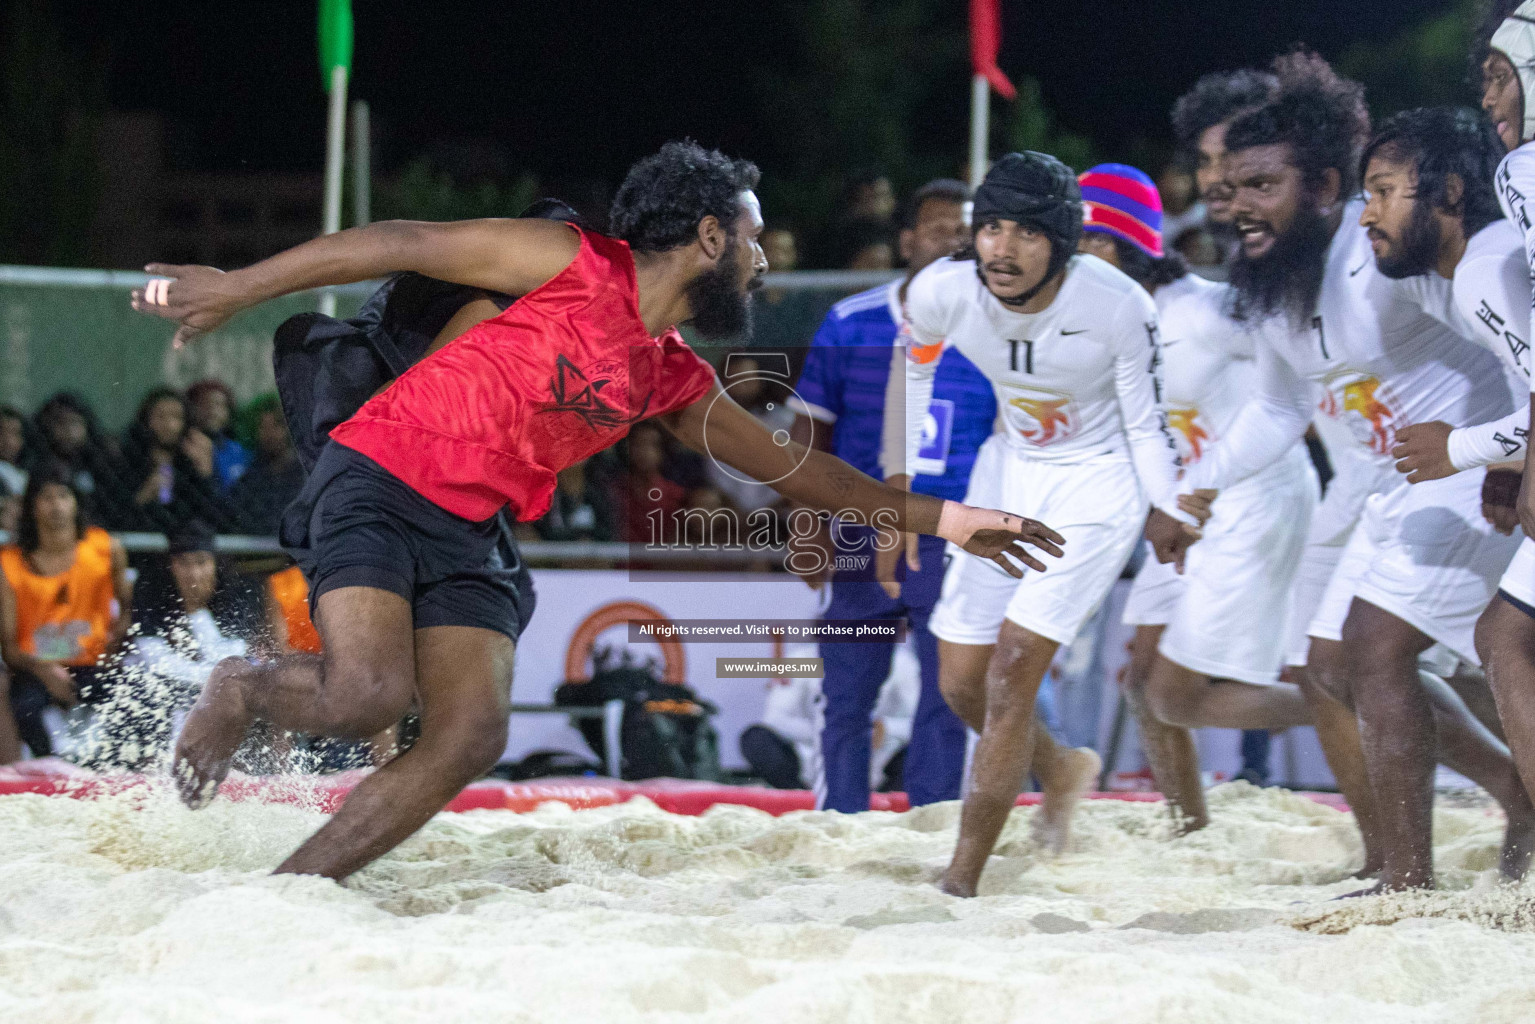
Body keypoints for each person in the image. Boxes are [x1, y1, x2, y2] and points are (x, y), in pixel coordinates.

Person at [130, 140, 1063, 881]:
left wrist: (946, 520)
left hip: (472, 525)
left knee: (470, 734)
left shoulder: (672, 373)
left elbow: (798, 471)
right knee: (368, 694)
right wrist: (238, 285)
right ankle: (241, 686)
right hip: (380, 472)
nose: (763, 259)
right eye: (753, 237)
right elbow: (405, 240)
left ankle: (295, 892)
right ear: (708, 236)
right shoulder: (572, 263)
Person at [1180, 52, 1532, 891]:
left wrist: (1497, 452)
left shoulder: (1381, 257)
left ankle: (1410, 874)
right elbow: (1273, 410)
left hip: (1458, 460)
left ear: (1325, 186)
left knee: (1395, 651)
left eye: (1258, 184)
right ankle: (1464, 827)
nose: (1234, 205)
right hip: (1405, 473)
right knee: (1335, 666)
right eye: (1226, 187)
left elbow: (1496, 330)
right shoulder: (1274, 282)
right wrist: (1189, 488)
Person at [883, 152, 1211, 897]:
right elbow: (913, 374)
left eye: (1025, 233)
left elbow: (1146, 425)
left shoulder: (1120, 305)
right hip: (1008, 468)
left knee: (1011, 667)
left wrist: (1164, 506)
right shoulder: (940, 291)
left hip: (1099, 482)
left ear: (1062, 241)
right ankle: (1061, 768)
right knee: (960, 681)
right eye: (990, 227)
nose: (1001, 247)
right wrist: (895, 493)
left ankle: (961, 878)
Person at [1081, 163, 1320, 832]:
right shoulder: (1113, 325)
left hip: (1253, 500)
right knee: (1143, 688)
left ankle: (1359, 701)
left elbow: (1302, 378)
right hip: (1185, 513)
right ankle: (1190, 830)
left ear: (1113, 243)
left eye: (1077, 240)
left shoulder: (1208, 310)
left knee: (1177, 695)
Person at [1474, 0, 1535, 847]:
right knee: (1501, 633)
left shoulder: (1524, 171)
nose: (1487, 99)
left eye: (1498, 76)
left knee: (1503, 636)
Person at [0, 463, 130, 763]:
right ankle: (51, 772)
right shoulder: (9, 562)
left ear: (75, 502)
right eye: (46, 497)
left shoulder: (105, 548)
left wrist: (117, 641)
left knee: (135, 697)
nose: (56, 506)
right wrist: (45, 670)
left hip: (93, 664)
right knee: (25, 706)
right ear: (32, 506)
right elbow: (8, 646)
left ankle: (116, 770)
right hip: (36, 668)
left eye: (63, 496)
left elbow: (127, 607)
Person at [112, 388, 238, 533]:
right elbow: (116, 517)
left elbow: (220, 519)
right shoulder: (127, 462)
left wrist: (206, 475)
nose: (169, 425)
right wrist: (143, 496)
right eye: (160, 416)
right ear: (147, 420)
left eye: (176, 417)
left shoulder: (190, 464)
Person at [229, 395, 306, 536]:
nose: (268, 434)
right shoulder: (253, 472)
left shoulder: (303, 474)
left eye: (275, 427)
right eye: (263, 427)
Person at [186, 379, 252, 491]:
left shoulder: (239, 451)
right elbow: (165, 496)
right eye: (204, 404)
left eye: (219, 405)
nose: (213, 411)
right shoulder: (185, 449)